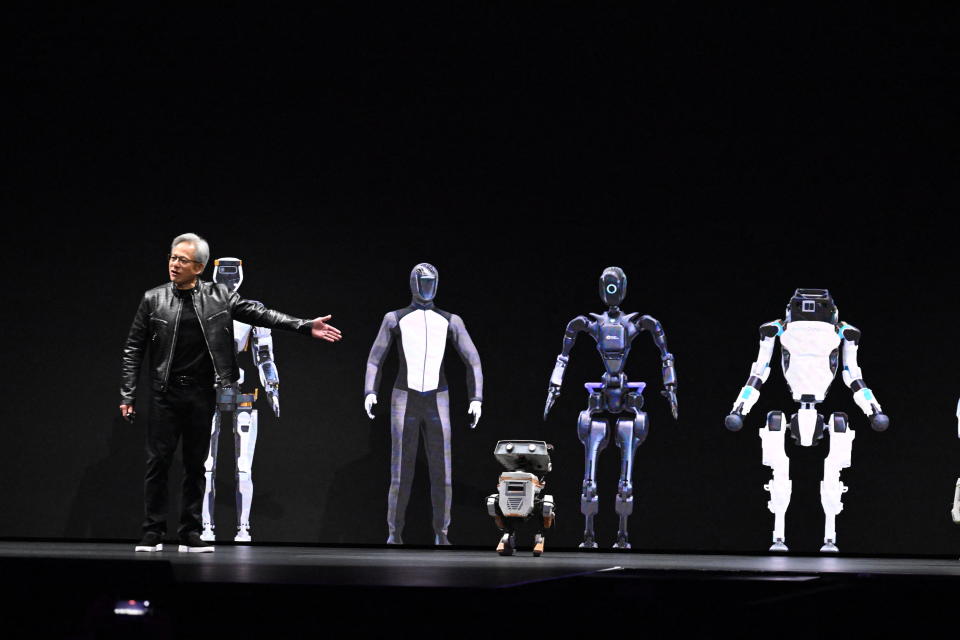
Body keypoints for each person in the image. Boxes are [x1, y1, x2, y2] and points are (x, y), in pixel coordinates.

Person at [120, 233, 341, 552]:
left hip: (204, 391)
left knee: (198, 465)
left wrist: (305, 325)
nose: (174, 264)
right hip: (165, 392)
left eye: (182, 259)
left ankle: (192, 531)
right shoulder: (154, 299)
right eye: (172, 257)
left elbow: (261, 316)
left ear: (198, 267)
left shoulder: (219, 299)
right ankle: (153, 530)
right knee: (159, 463)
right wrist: (128, 394)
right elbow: (133, 347)